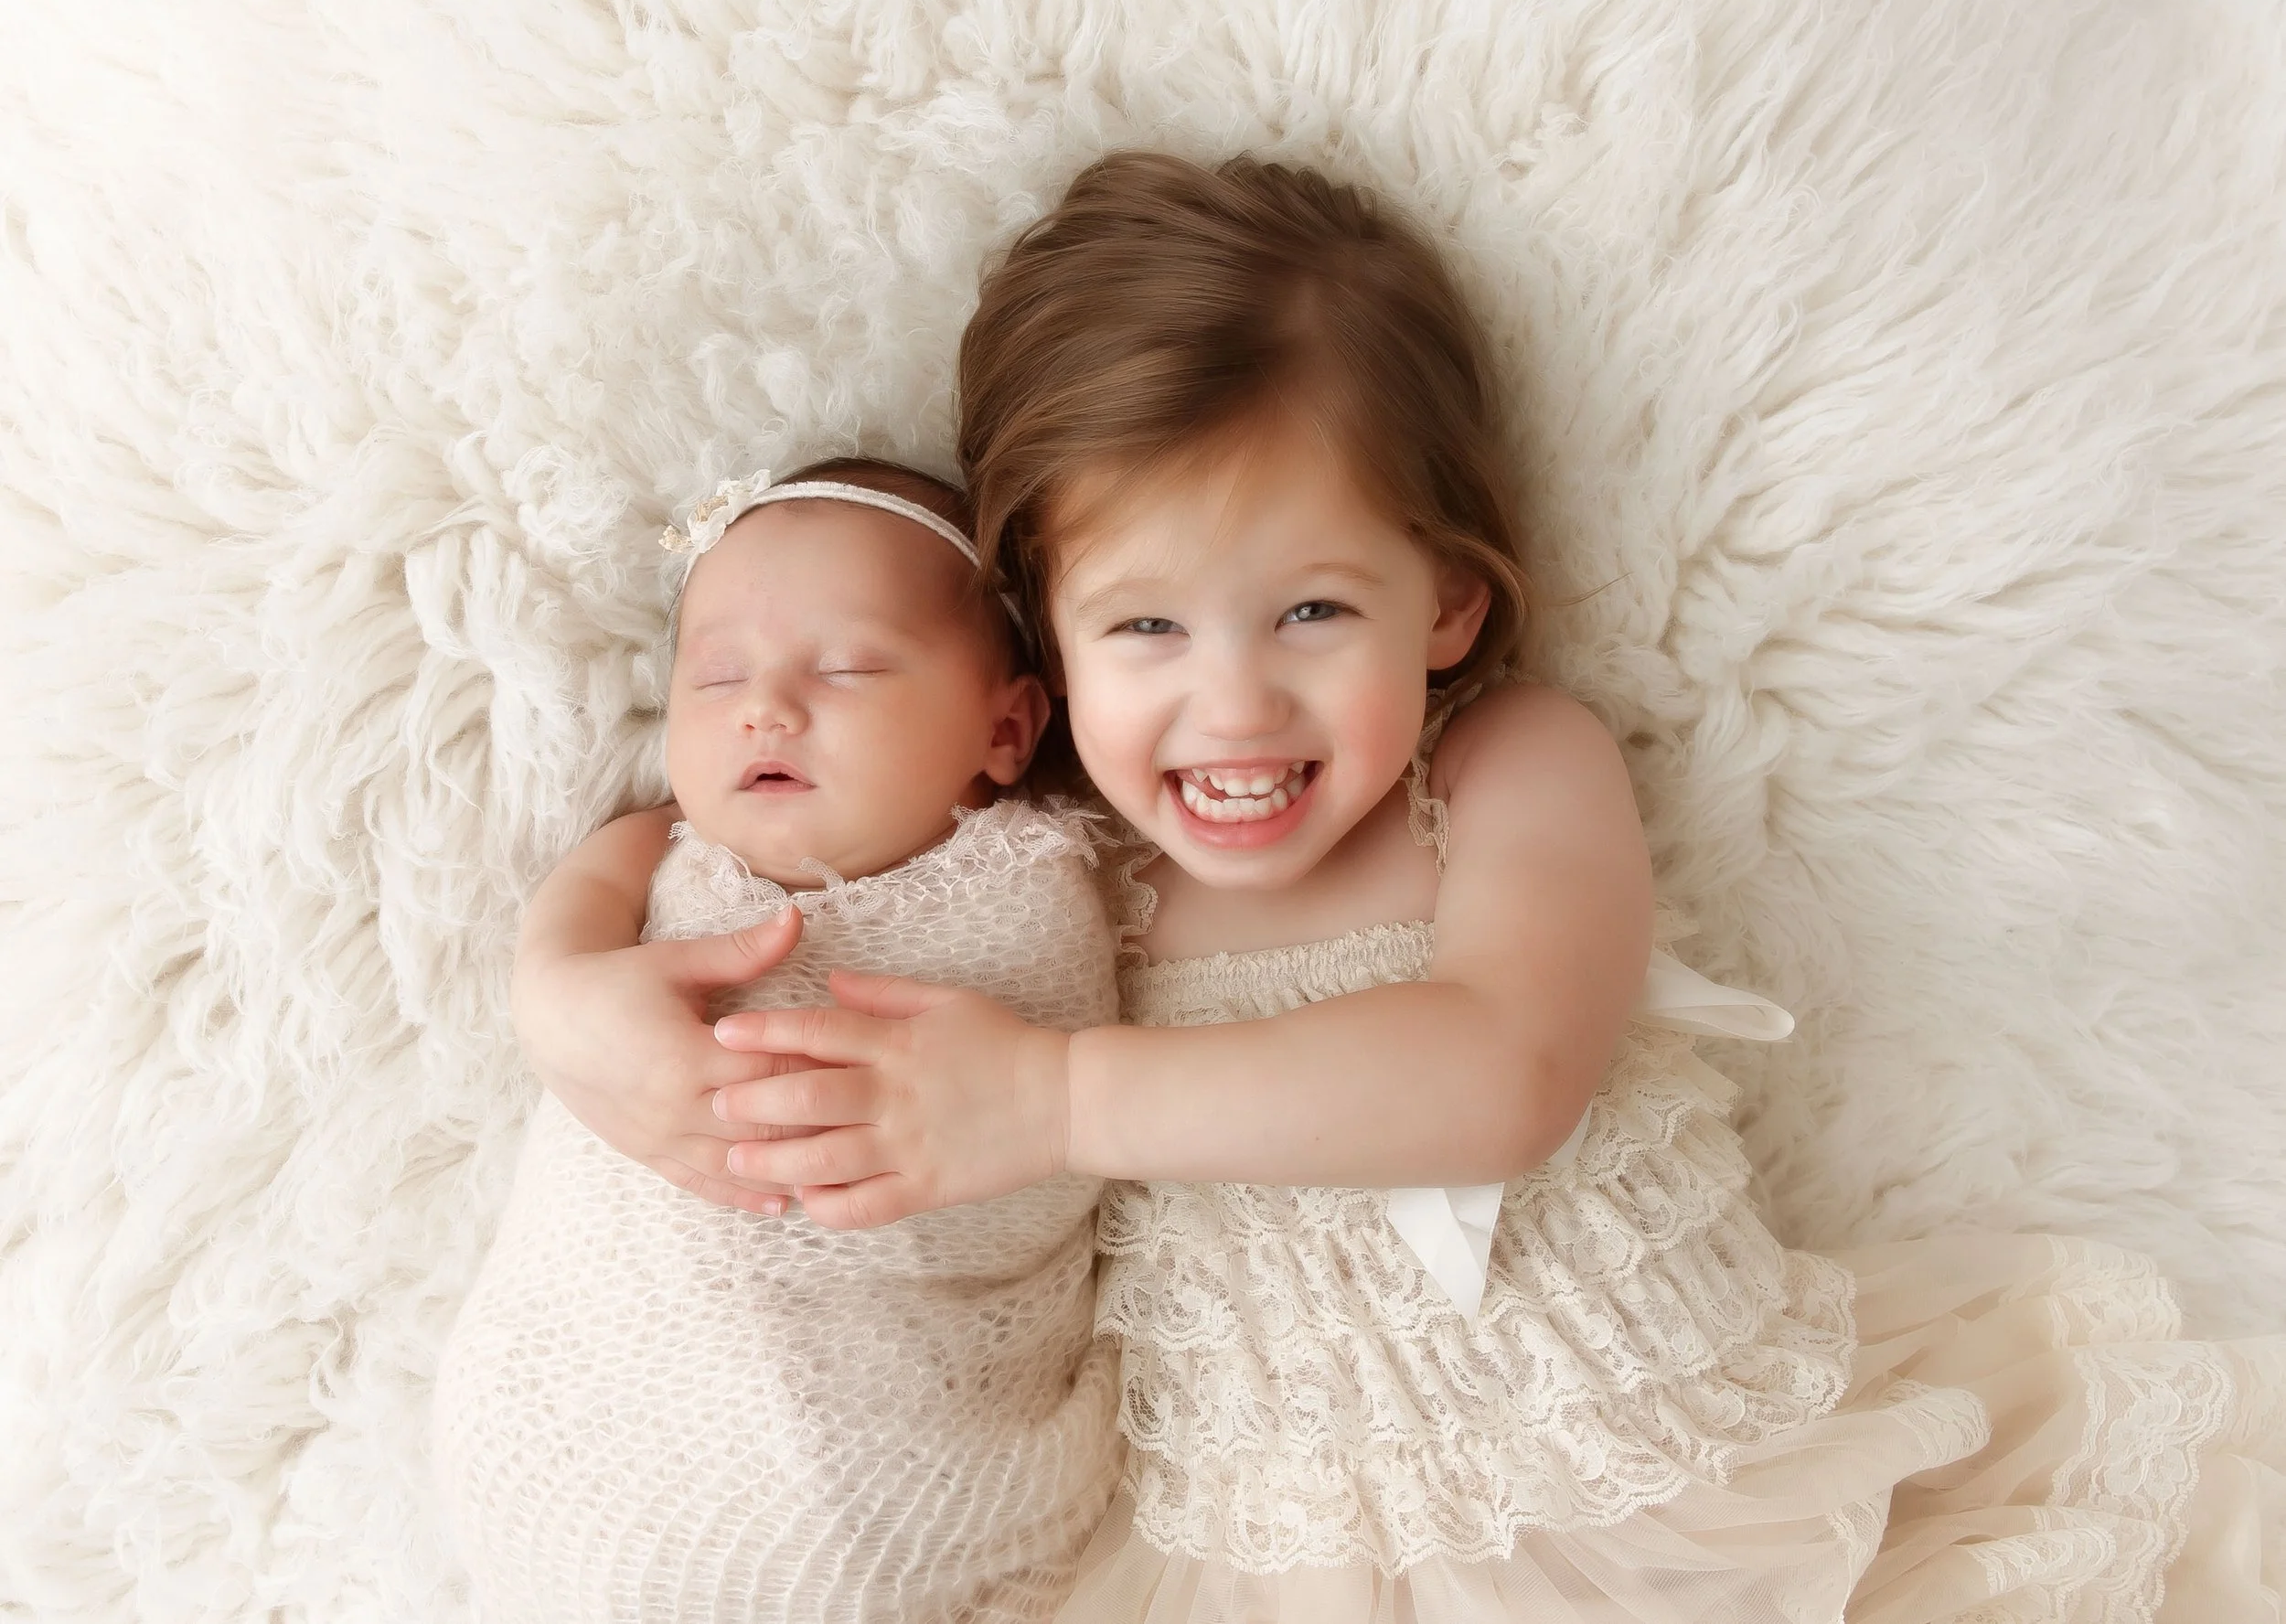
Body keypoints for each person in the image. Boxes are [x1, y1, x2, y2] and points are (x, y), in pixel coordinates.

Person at [514, 155, 2285, 1621]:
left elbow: (1499, 1067)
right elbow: (712, 827)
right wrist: (563, 970)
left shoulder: (1499, 773)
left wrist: (1054, 1095)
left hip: (1659, 1498)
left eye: (1310, 612)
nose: (1231, 705)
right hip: (1254, 1566)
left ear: (1441, 599)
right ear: (1033, 667)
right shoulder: (1061, 859)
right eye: (1144, 625)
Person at [433, 458, 1127, 1624]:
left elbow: (1050, 1136)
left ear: (1006, 727)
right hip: (586, 1399)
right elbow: (564, 937)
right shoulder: (661, 852)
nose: (764, 707)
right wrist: (559, 993)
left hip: (896, 1449)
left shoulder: (1037, 887)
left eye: (847, 666)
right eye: (714, 676)